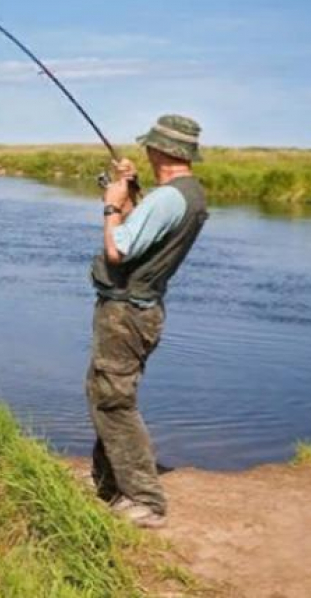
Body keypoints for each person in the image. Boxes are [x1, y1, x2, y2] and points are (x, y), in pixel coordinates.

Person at [85, 114, 208, 529]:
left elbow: (120, 248)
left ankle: (145, 501)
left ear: (163, 150)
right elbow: (144, 231)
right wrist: (132, 191)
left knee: (114, 400)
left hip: (127, 314)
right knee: (104, 392)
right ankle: (108, 483)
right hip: (136, 310)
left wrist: (110, 203)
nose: (146, 151)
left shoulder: (169, 198)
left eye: (150, 146)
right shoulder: (183, 195)